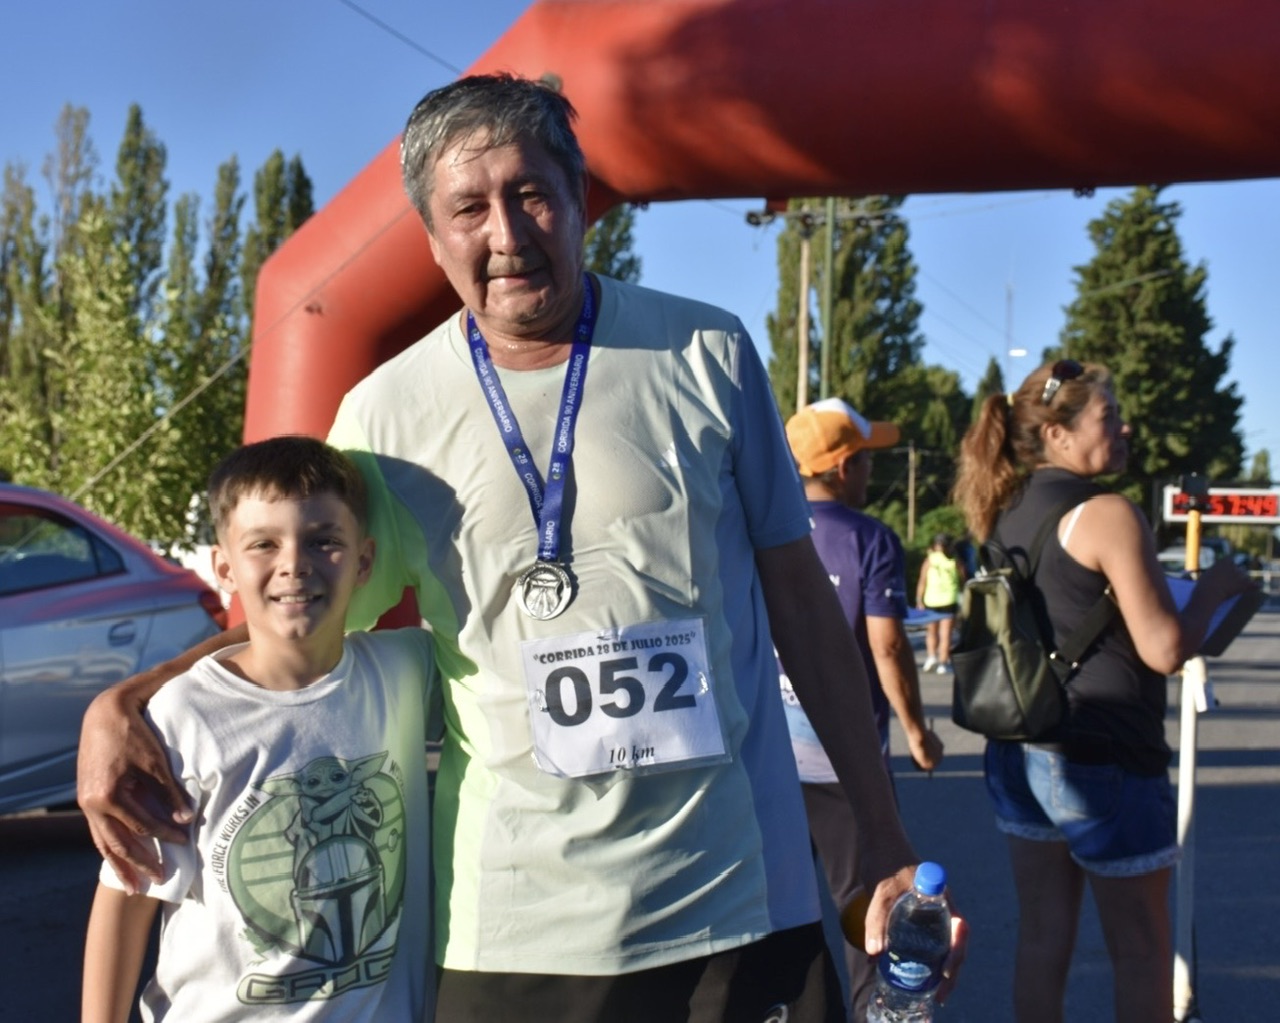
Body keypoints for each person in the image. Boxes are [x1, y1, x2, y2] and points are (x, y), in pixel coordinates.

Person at [77, 74, 966, 1023]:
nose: (506, 234)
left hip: (740, 903)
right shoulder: (383, 417)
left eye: (531, 193)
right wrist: (129, 698)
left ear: (579, 198)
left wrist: (881, 833)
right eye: (469, 208)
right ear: (431, 237)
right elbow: (298, 622)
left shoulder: (708, 352)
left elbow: (800, 602)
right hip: (512, 930)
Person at [81, 436, 439, 1023]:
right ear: (224, 567)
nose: (295, 563)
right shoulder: (182, 715)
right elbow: (128, 893)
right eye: (264, 544)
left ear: (364, 561)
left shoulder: (406, 670)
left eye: (324, 541)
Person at [952, 359, 1253, 1023]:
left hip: (1021, 744)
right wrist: (1215, 590)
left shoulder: (1002, 507)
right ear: (1057, 433)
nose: (1124, 427)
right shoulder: (1107, 513)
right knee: (1141, 949)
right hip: (1105, 757)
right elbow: (1164, 648)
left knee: (1041, 937)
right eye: (1108, 416)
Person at [779, 397, 945, 1021]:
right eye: (868, 458)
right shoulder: (870, 538)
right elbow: (888, 646)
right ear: (844, 466)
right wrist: (917, 730)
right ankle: (870, 1009)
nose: (872, 470)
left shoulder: (761, 531)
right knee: (867, 909)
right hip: (845, 761)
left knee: (777, 909)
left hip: (772, 756)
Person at [916, 532, 964, 674]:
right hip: (949, 599)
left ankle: (931, 656)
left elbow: (922, 581)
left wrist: (919, 599)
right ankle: (943, 662)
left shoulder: (930, 560)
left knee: (931, 632)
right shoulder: (955, 561)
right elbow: (963, 579)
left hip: (931, 599)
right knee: (945, 634)